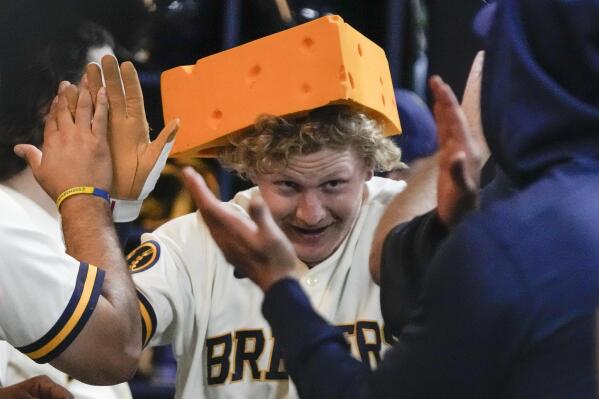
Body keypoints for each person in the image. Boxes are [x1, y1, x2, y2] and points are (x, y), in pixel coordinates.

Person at [184, 0, 599, 397]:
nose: (311, 212)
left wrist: (277, 284)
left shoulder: (512, 242)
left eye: (500, 53)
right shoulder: (527, 223)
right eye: (289, 185)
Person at [124, 99, 407, 397]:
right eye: (287, 185)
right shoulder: (194, 239)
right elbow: (106, 351)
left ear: (369, 167)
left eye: (333, 184)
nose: (311, 214)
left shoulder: (410, 224)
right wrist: (110, 206)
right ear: (254, 170)